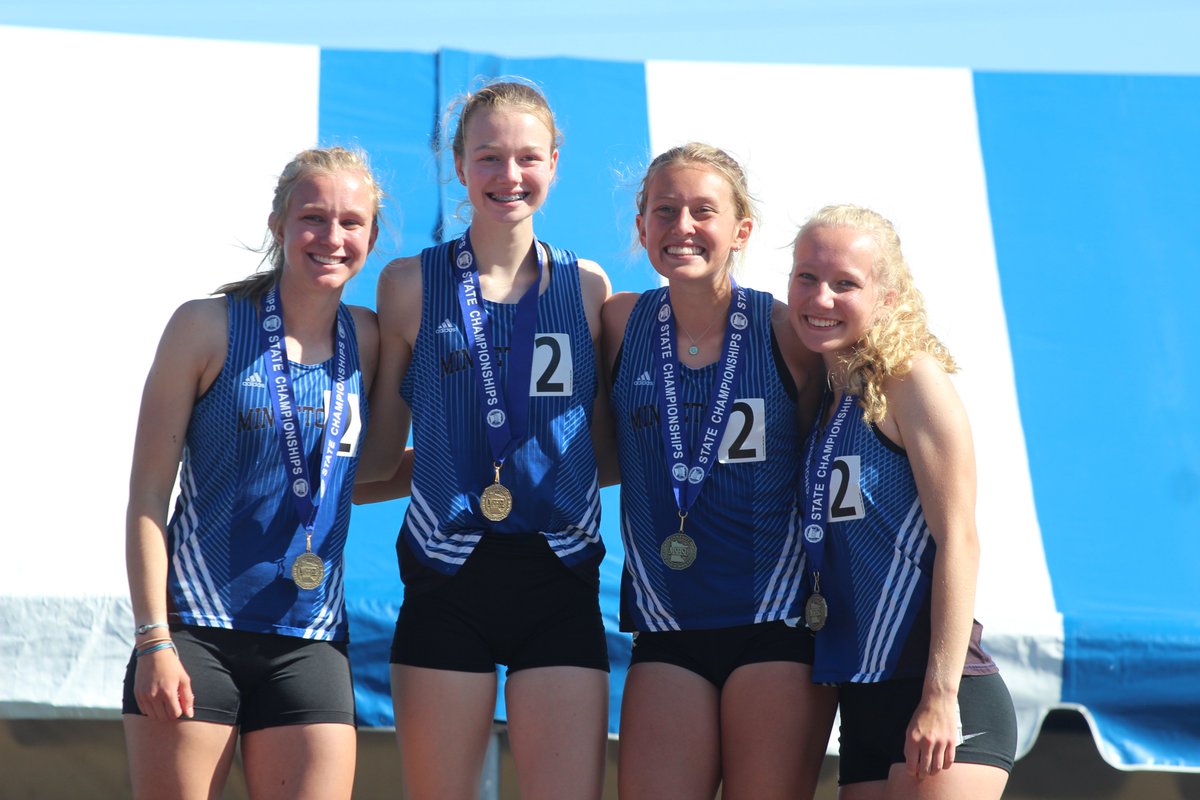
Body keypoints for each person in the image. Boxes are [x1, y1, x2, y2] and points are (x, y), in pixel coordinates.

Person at [364, 79, 613, 800]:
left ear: (555, 163)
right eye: (489, 157)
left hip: (560, 579)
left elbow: (600, 456)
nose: (509, 176)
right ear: (460, 163)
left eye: (528, 158)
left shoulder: (587, 288)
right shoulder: (409, 283)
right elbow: (381, 456)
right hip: (447, 578)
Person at [122, 146, 382, 800]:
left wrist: (463, 480)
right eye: (313, 218)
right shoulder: (205, 326)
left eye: (351, 222)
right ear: (278, 226)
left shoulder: (369, 339)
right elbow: (148, 497)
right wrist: (154, 638)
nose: (332, 237)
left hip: (310, 636)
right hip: (193, 634)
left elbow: (360, 474)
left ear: (371, 237)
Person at [602, 143, 837, 800]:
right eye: (665, 210)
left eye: (703, 211)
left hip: (776, 625)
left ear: (741, 230)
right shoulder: (620, 323)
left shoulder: (787, 330)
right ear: (642, 227)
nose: (682, 227)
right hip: (667, 629)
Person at [788, 204, 1018, 799]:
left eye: (846, 283)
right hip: (866, 695)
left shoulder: (910, 378)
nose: (821, 297)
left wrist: (940, 696)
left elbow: (959, 539)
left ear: (888, 297)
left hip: (943, 687)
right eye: (806, 277)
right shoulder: (828, 395)